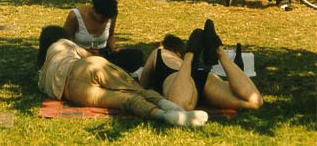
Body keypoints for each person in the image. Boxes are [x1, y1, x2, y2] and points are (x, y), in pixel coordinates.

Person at [38, 26, 209, 127]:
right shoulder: (62, 44)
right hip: (85, 67)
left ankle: (165, 117)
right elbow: (88, 56)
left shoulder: (41, 78)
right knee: (134, 89)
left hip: (74, 92)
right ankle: (172, 108)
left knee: (125, 101)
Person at [139, 20, 263, 112]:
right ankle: (220, 53)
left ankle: (190, 56)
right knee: (254, 102)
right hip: (204, 78)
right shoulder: (175, 57)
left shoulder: (161, 52)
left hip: (177, 77)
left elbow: (142, 86)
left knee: (179, 106)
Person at [63, 0, 144, 73]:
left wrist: (113, 49)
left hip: (103, 54)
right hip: (80, 58)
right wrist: (85, 52)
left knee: (137, 55)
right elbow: (65, 43)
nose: (105, 21)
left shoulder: (110, 15)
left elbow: (111, 35)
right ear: (94, 9)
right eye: (103, 18)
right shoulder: (75, 16)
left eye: (107, 19)